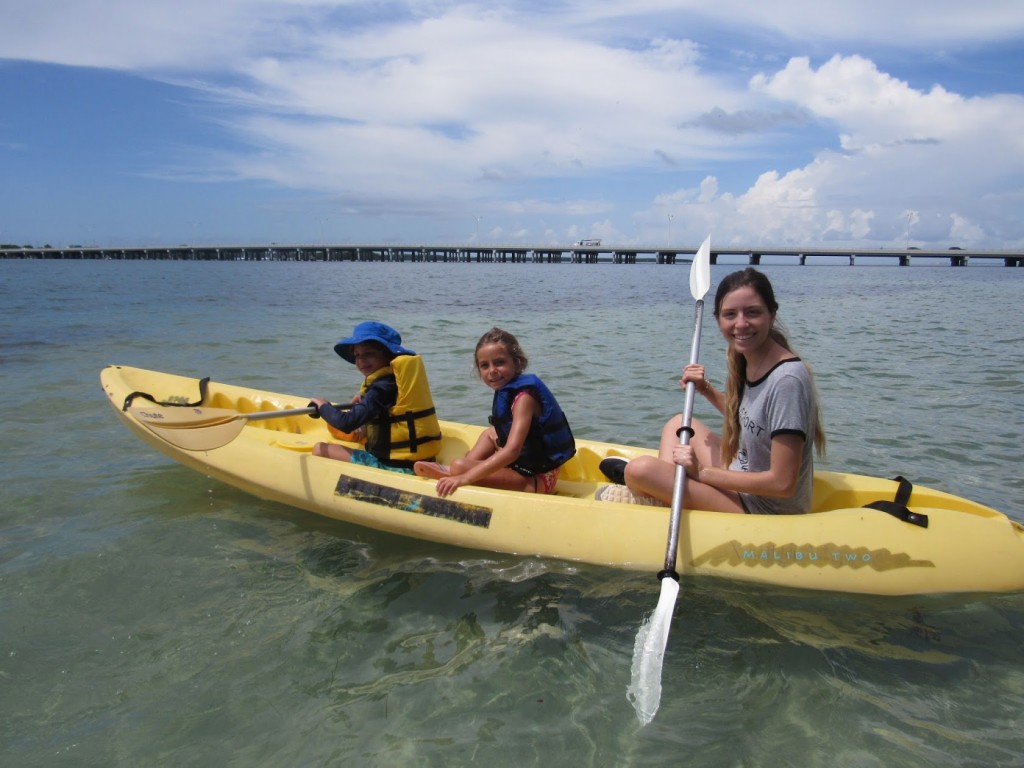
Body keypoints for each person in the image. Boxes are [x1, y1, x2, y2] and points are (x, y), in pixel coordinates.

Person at [613, 268, 826, 514]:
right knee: (678, 423)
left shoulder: (787, 380)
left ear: (772, 314)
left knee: (639, 470)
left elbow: (783, 483)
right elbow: (751, 419)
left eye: (753, 312)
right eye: (730, 314)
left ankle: (661, 492)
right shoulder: (751, 359)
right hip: (741, 474)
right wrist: (705, 389)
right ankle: (669, 491)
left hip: (764, 506)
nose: (741, 324)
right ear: (718, 320)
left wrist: (703, 473)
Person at [414, 327, 576, 497]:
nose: (492, 370)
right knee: (489, 434)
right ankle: (461, 469)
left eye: (499, 362)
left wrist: (465, 478)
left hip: (537, 479)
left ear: (517, 363)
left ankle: (457, 472)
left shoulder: (524, 398)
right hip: (527, 465)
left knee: (459, 466)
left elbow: (512, 451)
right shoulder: (509, 390)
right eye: (485, 365)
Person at [308, 321, 442, 473]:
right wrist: (363, 403)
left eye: (369, 354)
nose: (361, 360)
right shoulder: (396, 381)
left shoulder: (382, 388)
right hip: (421, 460)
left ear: (388, 355)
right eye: (357, 355)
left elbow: (346, 423)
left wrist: (322, 406)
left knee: (320, 449)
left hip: (395, 467)